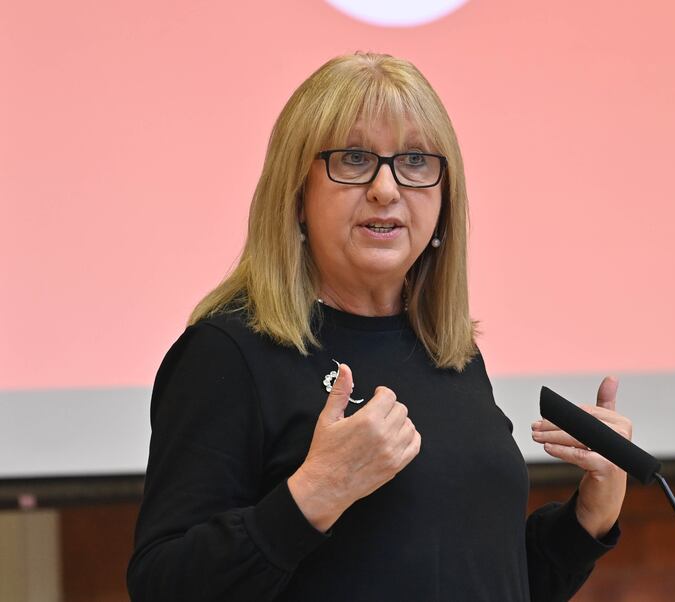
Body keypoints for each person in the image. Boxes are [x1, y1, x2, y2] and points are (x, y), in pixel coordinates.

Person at [127, 52, 633, 602]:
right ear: (296, 194)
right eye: (353, 158)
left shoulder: (450, 353)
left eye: (415, 160)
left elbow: (488, 579)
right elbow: (163, 586)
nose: (386, 189)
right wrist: (316, 492)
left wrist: (591, 514)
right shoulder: (227, 354)